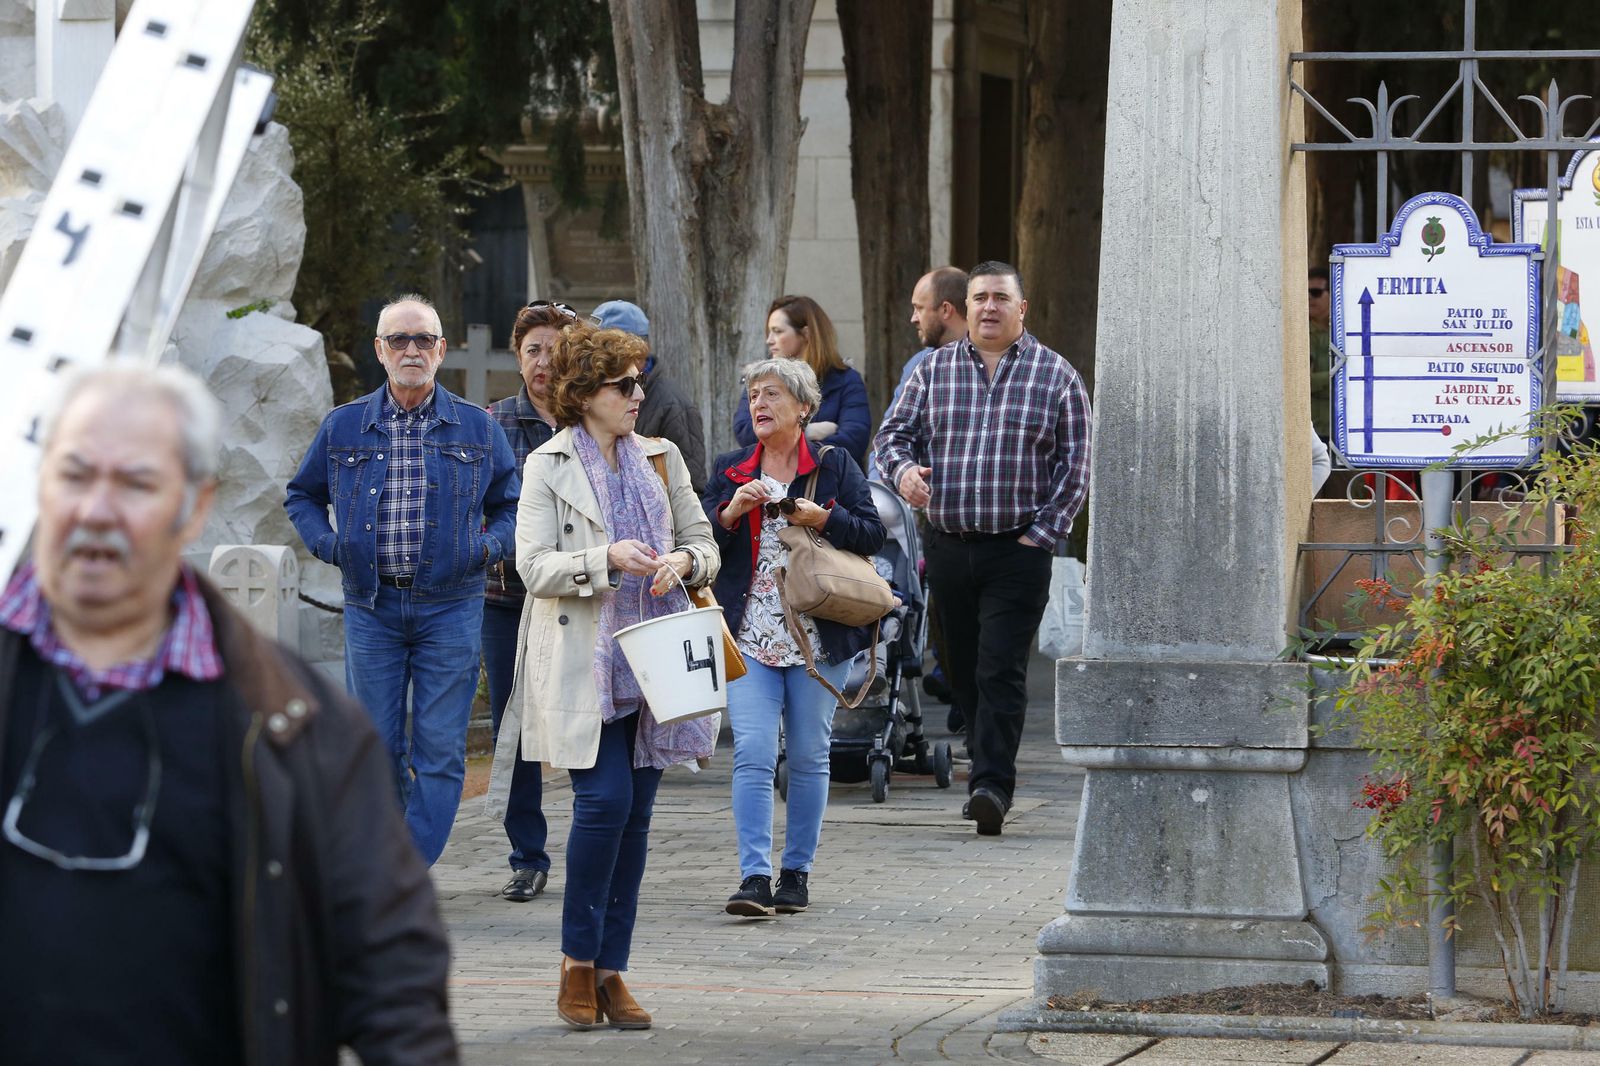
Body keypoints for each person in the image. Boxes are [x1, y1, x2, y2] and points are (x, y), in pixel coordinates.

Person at [0, 364, 456, 1065]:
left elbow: (393, 974)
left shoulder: (298, 723)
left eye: (135, 484)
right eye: (75, 474)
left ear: (195, 507)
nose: (96, 509)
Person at [488, 321, 718, 1031]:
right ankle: (576, 963)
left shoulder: (661, 456)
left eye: (639, 380)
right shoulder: (546, 465)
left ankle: (614, 971)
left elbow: (703, 541)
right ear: (585, 393)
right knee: (605, 804)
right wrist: (605, 559)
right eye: (624, 384)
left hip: (657, 656)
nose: (637, 394)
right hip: (586, 659)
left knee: (638, 817)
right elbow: (531, 567)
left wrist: (684, 563)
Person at [285, 293, 519, 865]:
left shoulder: (477, 428)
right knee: (375, 747)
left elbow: (512, 507)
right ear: (380, 351)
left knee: (439, 751)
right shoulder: (344, 426)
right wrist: (329, 545)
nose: (411, 350)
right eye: (398, 340)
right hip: (371, 606)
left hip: (452, 605)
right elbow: (303, 495)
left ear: (441, 350)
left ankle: (401, 870)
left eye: (423, 340)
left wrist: (484, 548)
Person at [876, 261, 1091, 837]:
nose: (989, 307)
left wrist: (1039, 537)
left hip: (1018, 550)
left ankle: (992, 785)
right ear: (965, 309)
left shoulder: (1057, 376)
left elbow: (1076, 467)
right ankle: (984, 754)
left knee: (1000, 667)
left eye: (1001, 298)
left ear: (1023, 309)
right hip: (947, 545)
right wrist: (904, 476)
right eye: (979, 298)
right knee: (964, 670)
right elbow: (891, 437)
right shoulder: (934, 371)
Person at [705, 358, 887, 917]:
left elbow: (873, 534)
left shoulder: (834, 467)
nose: (759, 404)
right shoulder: (731, 469)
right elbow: (703, 545)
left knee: (808, 756)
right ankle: (754, 877)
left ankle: (796, 872)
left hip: (818, 636)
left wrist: (822, 517)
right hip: (751, 635)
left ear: (804, 407)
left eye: (773, 394)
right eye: (754, 395)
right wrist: (731, 513)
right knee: (754, 753)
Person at [482, 299, 571, 902]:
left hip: (576, 593)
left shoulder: (588, 420)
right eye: (532, 349)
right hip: (505, 595)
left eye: (554, 348)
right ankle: (528, 854)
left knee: (584, 714)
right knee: (510, 724)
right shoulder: (492, 422)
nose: (543, 361)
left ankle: (601, 836)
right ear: (518, 358)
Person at [733, 295, 872, 468]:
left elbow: (853, 441)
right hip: (772, 486)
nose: (769, 340)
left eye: (777, 331)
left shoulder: (846, 380)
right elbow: (745, 431)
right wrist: (807, 432)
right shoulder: (760, 380)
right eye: (769, 332)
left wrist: (780, 443)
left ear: (805, 334)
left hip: (833, 484)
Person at [592, 299, 709, 494]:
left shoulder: (673, 405)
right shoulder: (589, 394)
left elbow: (691, 490)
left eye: (606, 350)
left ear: (636, 351)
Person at [1309, 267, 1331, 440]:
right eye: (1305, 292)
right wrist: (1337, 374)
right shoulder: (1299, 335)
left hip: (1341, 429)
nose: (1309, 298)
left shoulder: (1344, 333)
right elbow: (1303, 382)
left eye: (1315, 292)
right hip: (1314, 432)